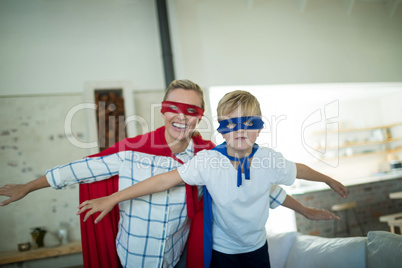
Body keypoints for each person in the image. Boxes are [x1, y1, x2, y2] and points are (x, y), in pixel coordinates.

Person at [0, 82, 340, 268]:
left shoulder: (207, 155)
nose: (182, 117)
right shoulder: (132, 152)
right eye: (173, 108)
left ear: (200, 118)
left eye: (191, 111)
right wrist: (28, 187)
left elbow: (264, 188)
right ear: (163, 111)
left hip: (179, 260)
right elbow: (77, 170)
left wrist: (309, 204)